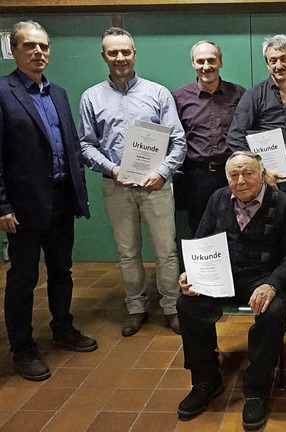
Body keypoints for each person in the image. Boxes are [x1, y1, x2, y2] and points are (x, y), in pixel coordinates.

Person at [176, 151, 286, 429]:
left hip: (264, 277)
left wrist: (272, 284)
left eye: (248, 173)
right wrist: (190, 274)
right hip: (220, 275)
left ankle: (257, 388)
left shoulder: (284, 205)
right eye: (234, 174)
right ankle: (205, 380)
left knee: (273, 313)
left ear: (261, 174)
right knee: (187, 305)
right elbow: (201, 241)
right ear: (226, 178)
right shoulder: (218, 199)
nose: (241, 180)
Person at [0, 20, 97, 381]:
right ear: (14, 50)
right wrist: (2, 205)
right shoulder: (3, 92)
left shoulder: (58, 93)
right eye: (30, 46)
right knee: (23, 279)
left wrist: (79, 194)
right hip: (23, 207)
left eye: (43, 46)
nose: (38, 52)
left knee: (62, 270)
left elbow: (70, 146)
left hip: (60, 199)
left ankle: (63, 328)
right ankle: (22, 350)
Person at [78, 27, 186, 336]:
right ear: (104, 56)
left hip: (156, 185)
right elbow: (86, 144)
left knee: (166, 251)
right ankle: (136, 307)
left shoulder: (158, 93)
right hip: (116, 185)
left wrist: (161, 172)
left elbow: (178, 142)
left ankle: (171, 306)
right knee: (127, 252)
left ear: (134, 54)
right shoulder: (91, 97)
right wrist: (112, 169)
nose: (120, 57)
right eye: (113, 52)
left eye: (125, 51)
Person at [226, 35, 286, 307]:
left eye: (283, 59)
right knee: (267, 233)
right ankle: (268, 286)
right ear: (267, 64)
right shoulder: (254, 95)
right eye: (273, 60)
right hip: (262, 179)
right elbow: (235, 136)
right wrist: (261, 172)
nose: (279, 65)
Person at [172, 40, 245, 234]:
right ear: (193, 64)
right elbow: (172, 138)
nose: (206, 67)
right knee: (201, 230)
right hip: (196, 177)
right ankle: (205, 266)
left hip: (233, 174)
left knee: (236, 229)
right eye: (200, 61)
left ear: (220, 62)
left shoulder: (240, 94)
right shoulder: (179, 98)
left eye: (211, 60)